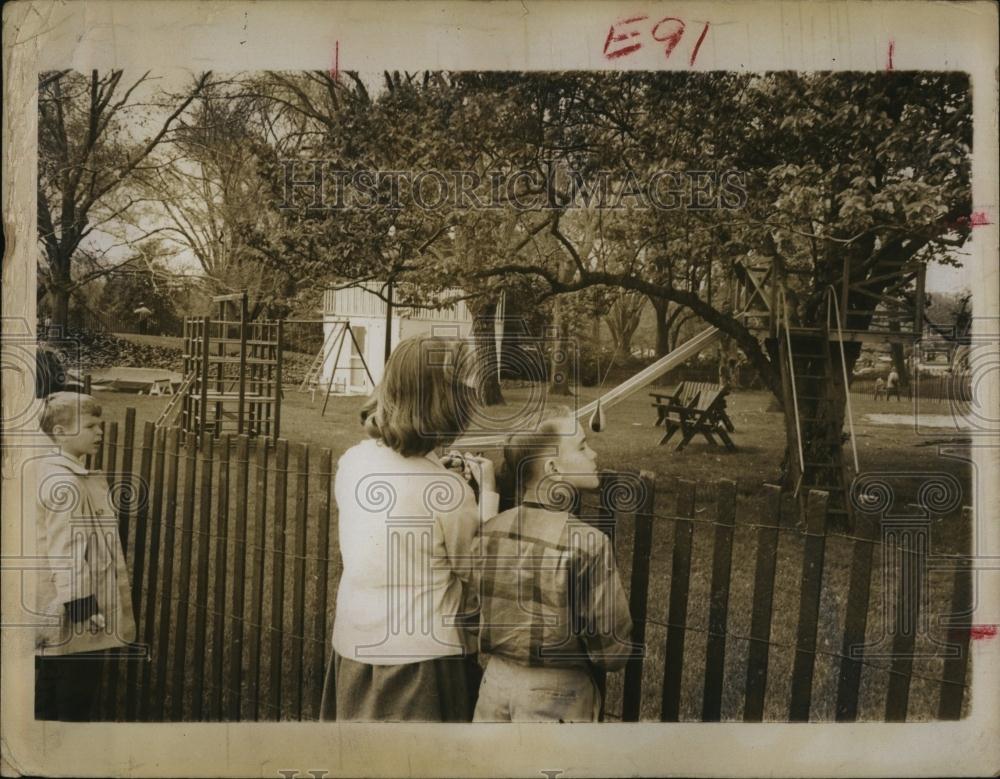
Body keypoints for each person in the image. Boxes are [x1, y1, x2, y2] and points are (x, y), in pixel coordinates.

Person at [322, 335, 500, 722]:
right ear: (444, 402)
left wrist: (434, 463)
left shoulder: (354, 461)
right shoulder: (450, 492)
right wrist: (486, 492)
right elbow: (476, 569)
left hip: (354, 647)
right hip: (423, 660)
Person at [472, 408, 634, 722]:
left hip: (494, 685)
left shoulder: (489, 531)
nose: (594, 454)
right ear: (553, 467)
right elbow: (611, 651)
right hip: (559, 693)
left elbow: (470, 614)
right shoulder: (588, 543)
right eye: (583, 447)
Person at [34, 393, 136, 720]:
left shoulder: (52, 470)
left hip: (56, 601)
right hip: (76, 608)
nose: (100, 432)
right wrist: (82, 606)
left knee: (52, 677)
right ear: (61, 433)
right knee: (75, 689)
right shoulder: (64, 481)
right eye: (90, 425)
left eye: (100, 425)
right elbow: (67, 549)